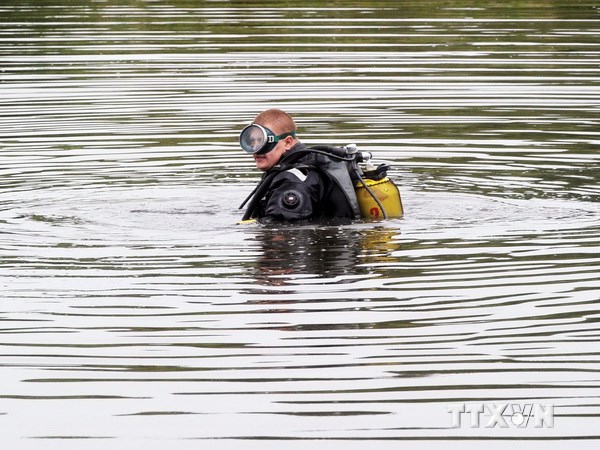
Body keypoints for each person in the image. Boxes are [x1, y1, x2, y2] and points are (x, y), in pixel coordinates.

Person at [238, 108, 362, 221]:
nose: (256, 149)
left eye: (262, 142)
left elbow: (282, 237)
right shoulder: (296, 166)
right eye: (252, 142)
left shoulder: (292, 181)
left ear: (287, 143)